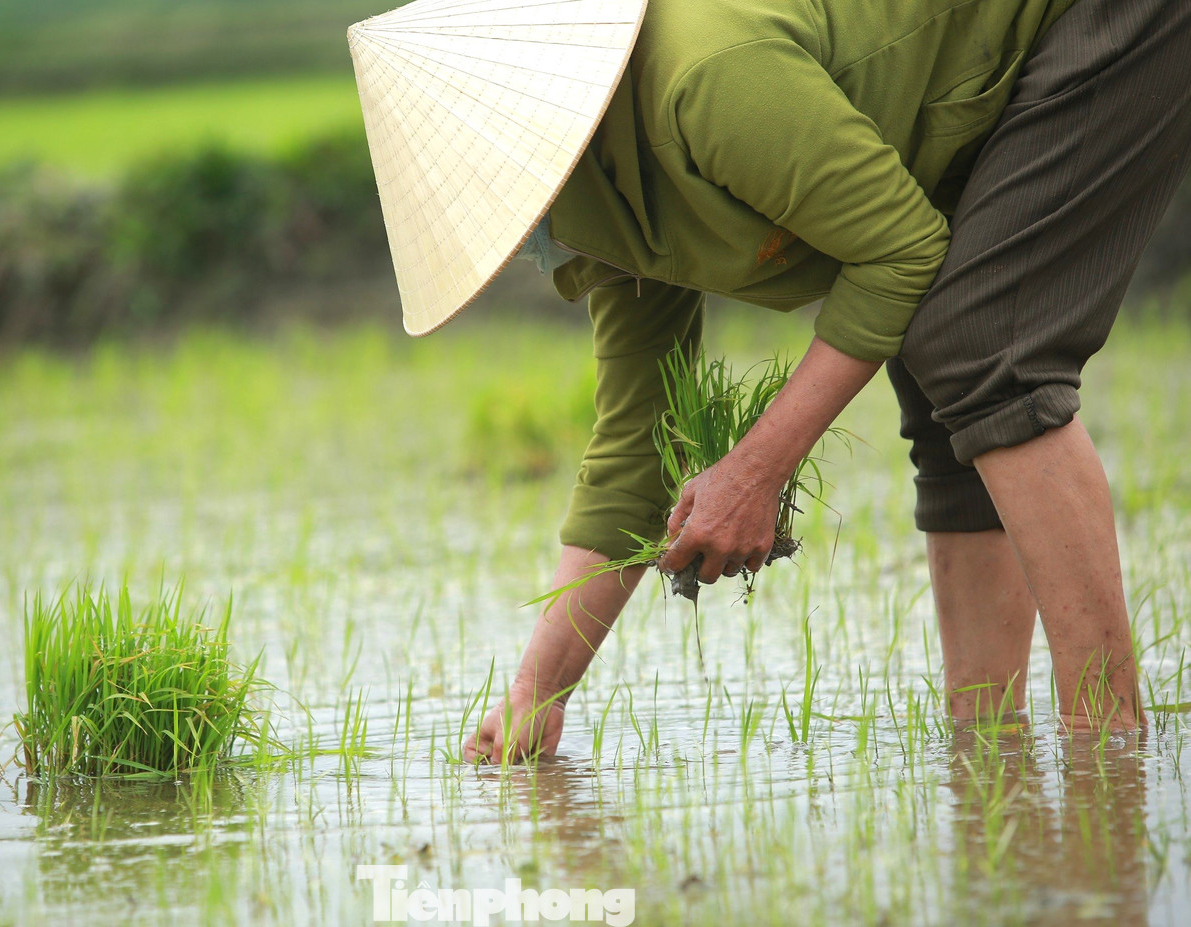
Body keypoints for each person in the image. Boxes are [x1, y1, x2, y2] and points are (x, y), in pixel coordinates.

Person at [347, 0, 1191, 764]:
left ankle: (1106, 749)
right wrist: (539, 689)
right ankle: (988, 750)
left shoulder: (704, 77)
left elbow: (900, 252)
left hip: (1097, 18)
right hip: (966, 88)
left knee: (980, 346)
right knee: (944, 380)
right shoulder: (604, 208)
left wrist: (755, 468)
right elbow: (639, 445)